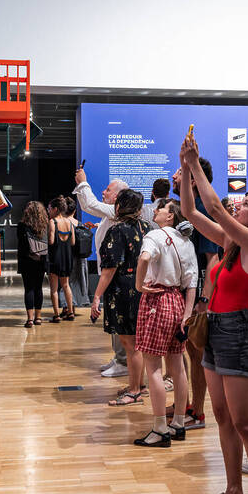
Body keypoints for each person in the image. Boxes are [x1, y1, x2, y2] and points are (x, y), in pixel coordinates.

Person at [179, 131, 248, 494]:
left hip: (238, 331)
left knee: (244, 422)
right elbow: (190, 210)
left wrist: (194, 164)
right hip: (217, 330)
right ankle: (234, 493)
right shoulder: (231, 244)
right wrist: (186, 170)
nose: (240, 206)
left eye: (247, 204)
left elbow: (214, 207)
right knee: (222, 416)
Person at [132, 201, 197, 446]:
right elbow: (191, 282)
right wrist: (186, 315)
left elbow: (144, 258)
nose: (156, 210)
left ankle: (160, 428)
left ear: (170, 216)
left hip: (157, 301)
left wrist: (139, 286)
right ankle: (178, 423)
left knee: (153, 368)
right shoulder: (186, 241)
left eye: (161, 208)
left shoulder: (154, 236)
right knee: (177, 367)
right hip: (177, 301)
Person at [170, 159, 221, 431]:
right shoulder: (187, 208)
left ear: (192, 179)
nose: (173, 176)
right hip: (185, 291)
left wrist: (204, 300)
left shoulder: (202, 209)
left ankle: (198, 412)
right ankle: (185, 404)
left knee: (197, 354)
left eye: (179, 172)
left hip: (197, 295)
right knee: (185, 351)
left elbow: (212, 259)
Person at [92, 189, 151, 405]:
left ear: (120, 206)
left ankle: (134, 391)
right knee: (136, 342)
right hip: (142, 286)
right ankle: (139, 385)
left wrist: (96, 297)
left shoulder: (118, 230)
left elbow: (109, 269)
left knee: (131, 343)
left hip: (124, 290)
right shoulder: (146, 228)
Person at [74, 169, 130, 378]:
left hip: (115, 275)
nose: (104, 192)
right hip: (111, 274)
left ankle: (123, 361)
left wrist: (83, 182)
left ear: (117, 196)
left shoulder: (116, 211)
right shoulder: (113, 213)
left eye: (107, 190)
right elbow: (88, 205)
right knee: (114, 318)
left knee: (118, 318)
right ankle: (119, 357)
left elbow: (90, 205)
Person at [16, 201, 49, 328]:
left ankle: (30, 319)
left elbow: (20, 242)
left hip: (26, 260)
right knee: (38, 288)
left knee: (29, 288)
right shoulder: (45, 225)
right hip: (41, 260)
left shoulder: (22, 225)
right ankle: (38, 318)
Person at [46, 196, 75, 322]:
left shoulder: (52, 222)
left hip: (55, 258)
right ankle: (70, 312)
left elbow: (51, 241)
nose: (48, 211)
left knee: (54, 289)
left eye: (49, 209)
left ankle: (57, 315)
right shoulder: (69, 222)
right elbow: (73, 242)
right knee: (66, 285)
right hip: (67, 257)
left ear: (55, 209)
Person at [64, 197, 91, 308]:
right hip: (81, 256)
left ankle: (68, 303)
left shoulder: (63, 224)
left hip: (68, 255)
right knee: (80, 279)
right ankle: (81, 300)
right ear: (74, 211)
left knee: (67, 281)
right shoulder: (80, 224)